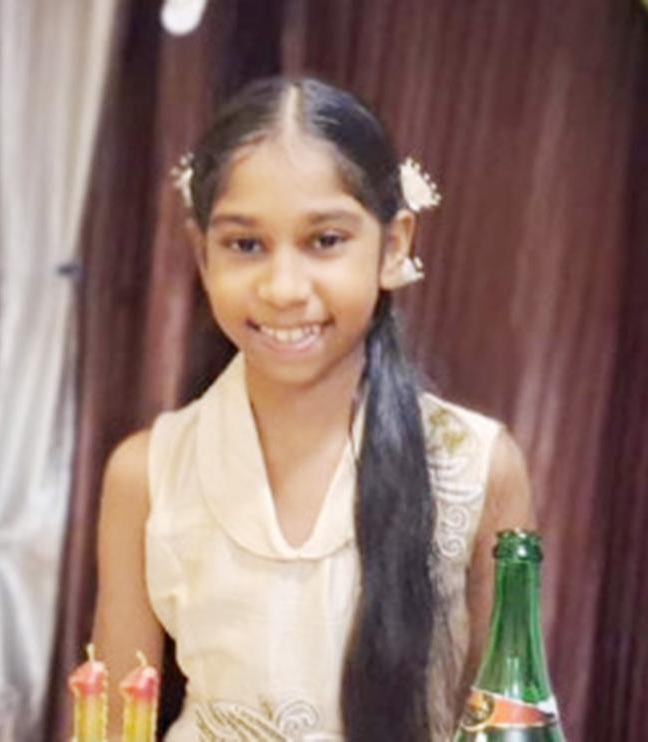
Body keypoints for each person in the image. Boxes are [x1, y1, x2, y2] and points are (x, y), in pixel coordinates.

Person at [92, 76, 535, 741]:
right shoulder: (147, 474)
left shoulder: (476, 467)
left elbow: (509, 719)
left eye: (325, 240)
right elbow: (107, 722)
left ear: (392, 245)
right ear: (202, 254)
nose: (283, 288)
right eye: (245, 245)